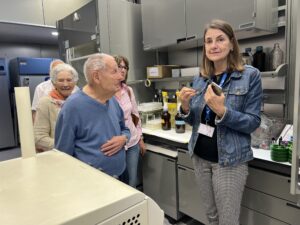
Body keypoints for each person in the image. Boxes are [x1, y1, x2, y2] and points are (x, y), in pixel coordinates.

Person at [179, 19, 262, 225]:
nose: (213, 46)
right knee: (211, 216)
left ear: (232, 44)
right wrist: (185, 107)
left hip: (229, 161)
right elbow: (194, 121)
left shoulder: (249, 76)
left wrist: (222, 112)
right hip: (199, 156)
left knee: (227, 220)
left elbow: (253, 122)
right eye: (208, 41)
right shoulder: (201, 78)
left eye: (220, 39)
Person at [55, 53, 130, 178]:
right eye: (114, 72)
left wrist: (124, 138)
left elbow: (125, 129)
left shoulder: (112, 100)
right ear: (96, 76)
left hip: (121, 173)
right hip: (93, 183)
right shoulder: (73, 107)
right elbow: (63, 155)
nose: (120, 77)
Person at [114, 55, 146, 188]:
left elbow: (135, 115)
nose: (123, 70)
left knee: (131, 181)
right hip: (116, 144)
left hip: (132, 142)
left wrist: (140, 138)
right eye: (119, 66)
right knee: (117, 182)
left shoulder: (128, 90)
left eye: (125, 67)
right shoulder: (105, 92)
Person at [34, 64, 78, 152]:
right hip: (57, 155)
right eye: (61, 80)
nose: (65, 84)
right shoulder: (45, 103)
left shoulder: (79, 101)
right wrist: (68, 146)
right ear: (54, 83)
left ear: (75, 82)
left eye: (69, 80)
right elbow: (39, 138)